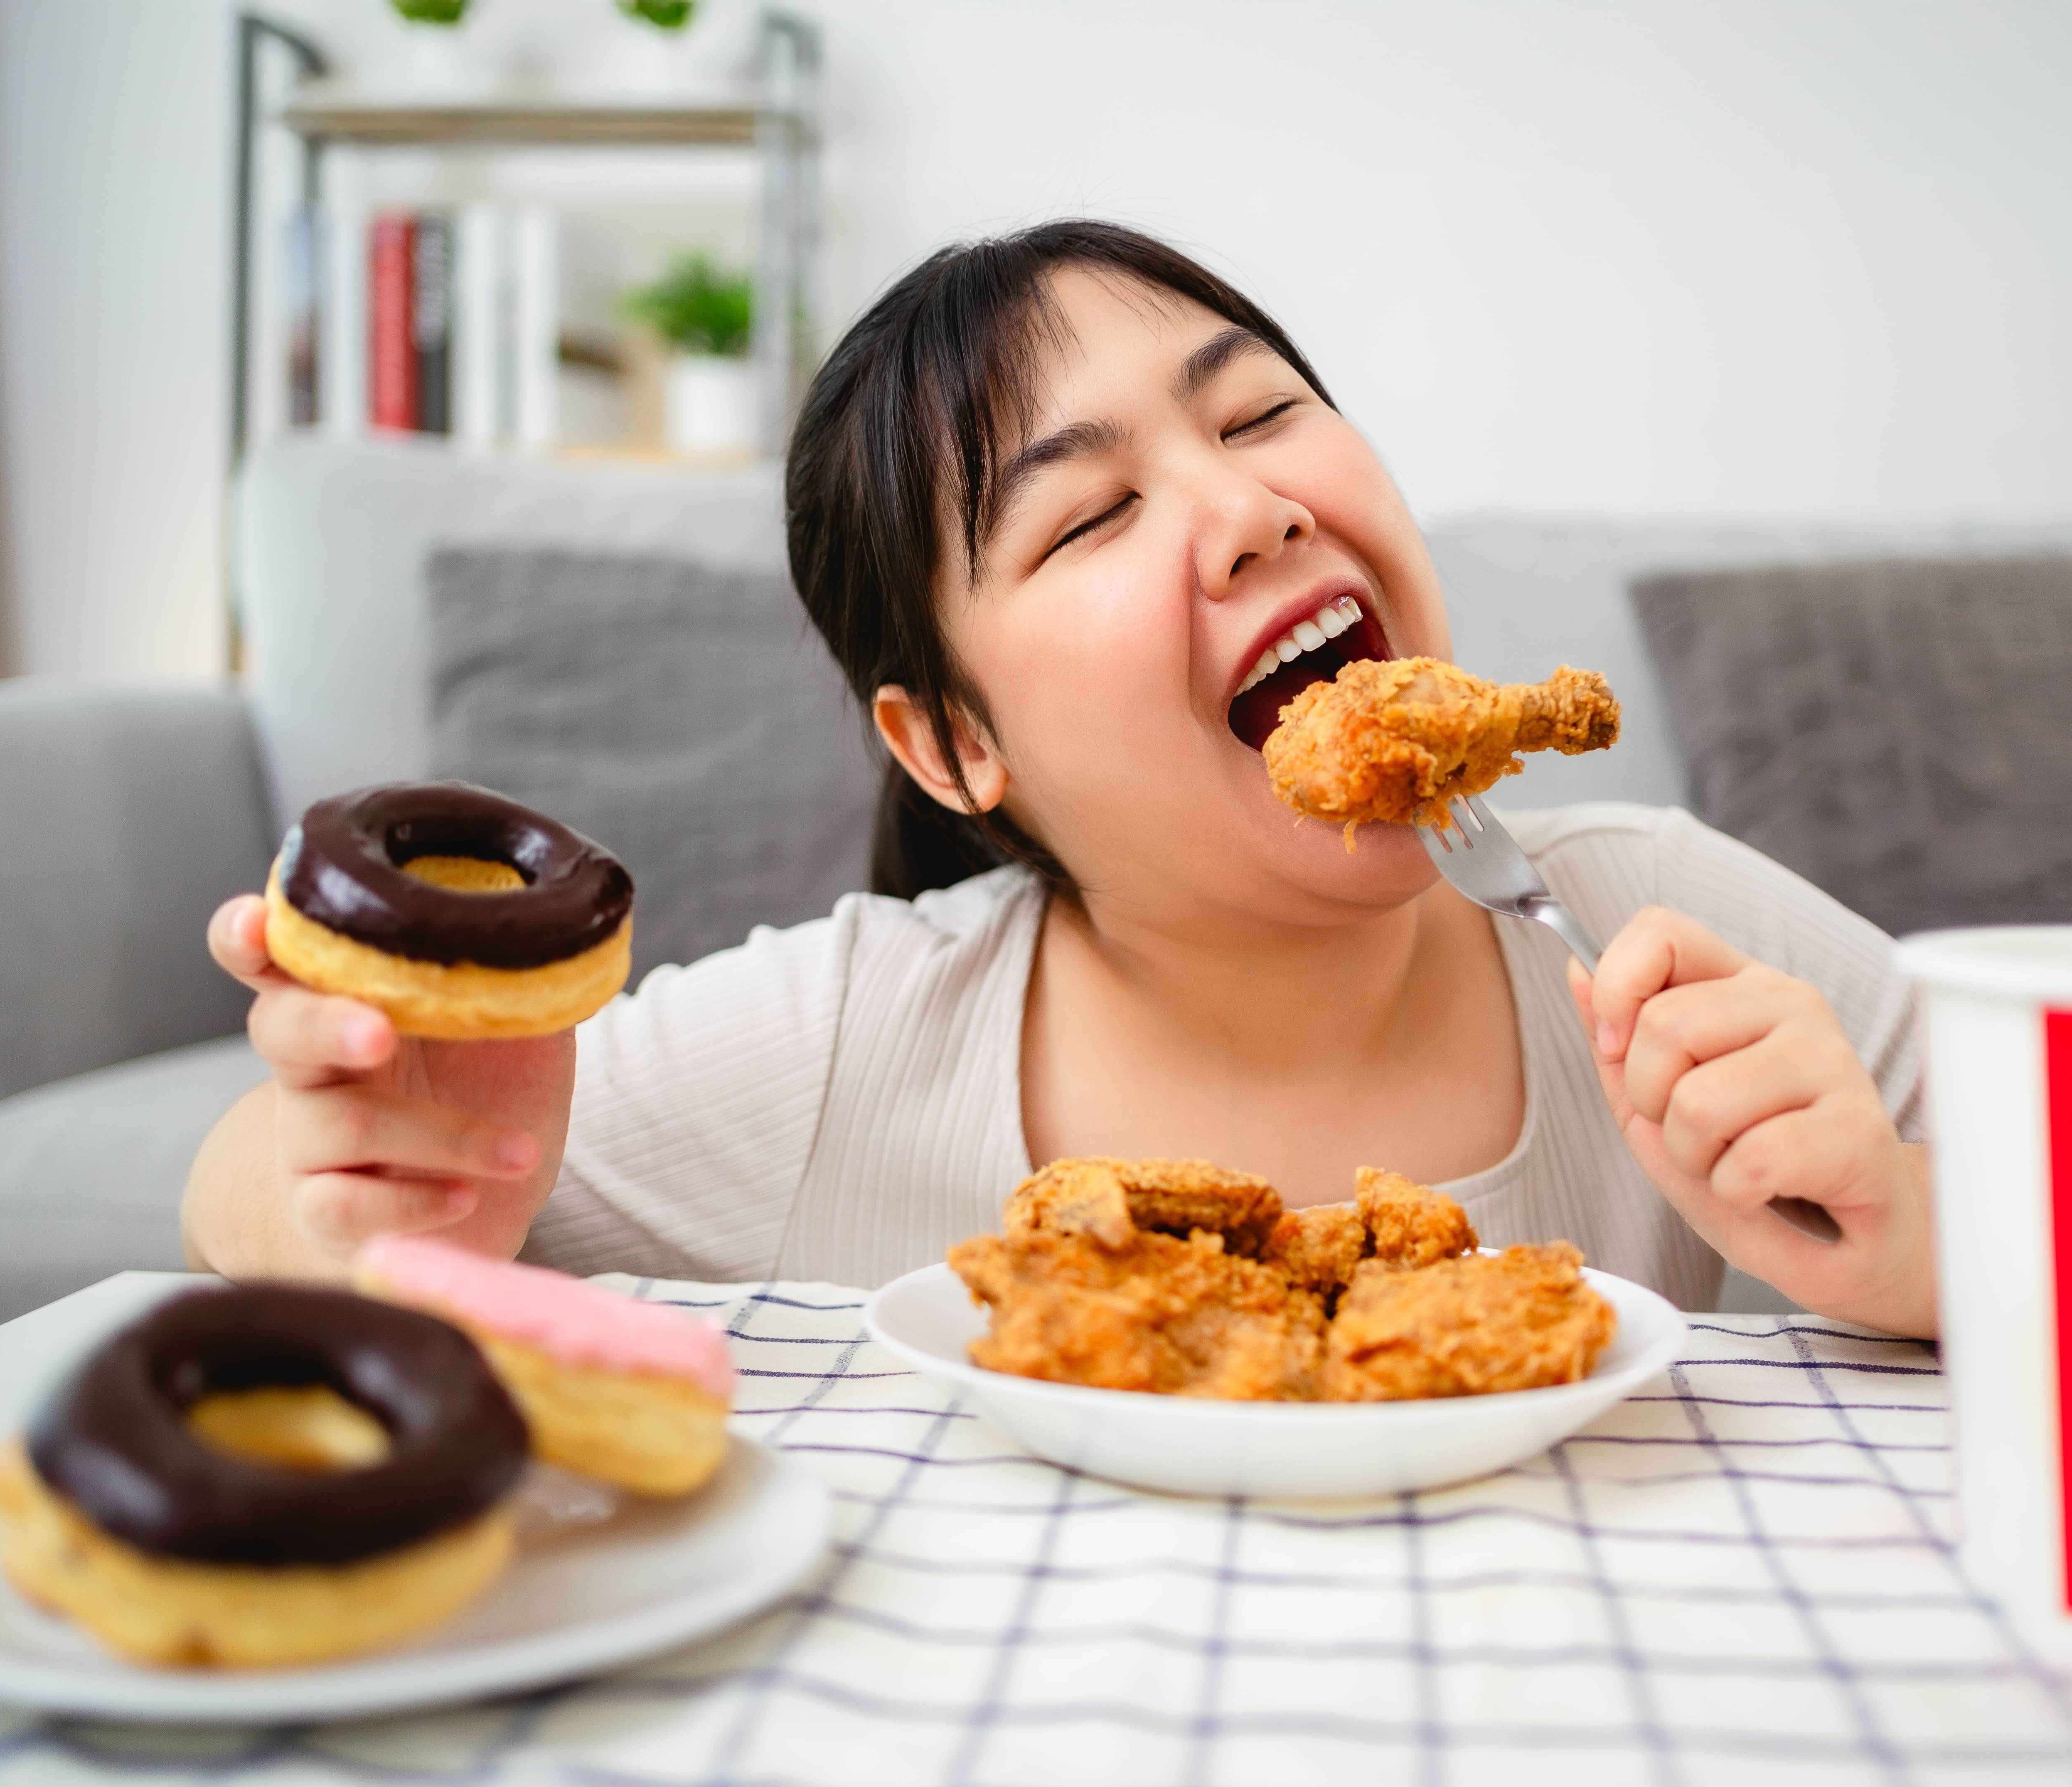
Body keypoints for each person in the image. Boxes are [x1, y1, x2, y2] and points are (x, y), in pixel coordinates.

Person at [182, 221, 1935, 1337]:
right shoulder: (850, 1038)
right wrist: (388, 1183)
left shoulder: (1653, 923)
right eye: (1091, 514)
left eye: (1258, 416)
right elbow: (241, 1200)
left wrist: (1919, 1239)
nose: (1250, 507)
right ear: (955, 743)